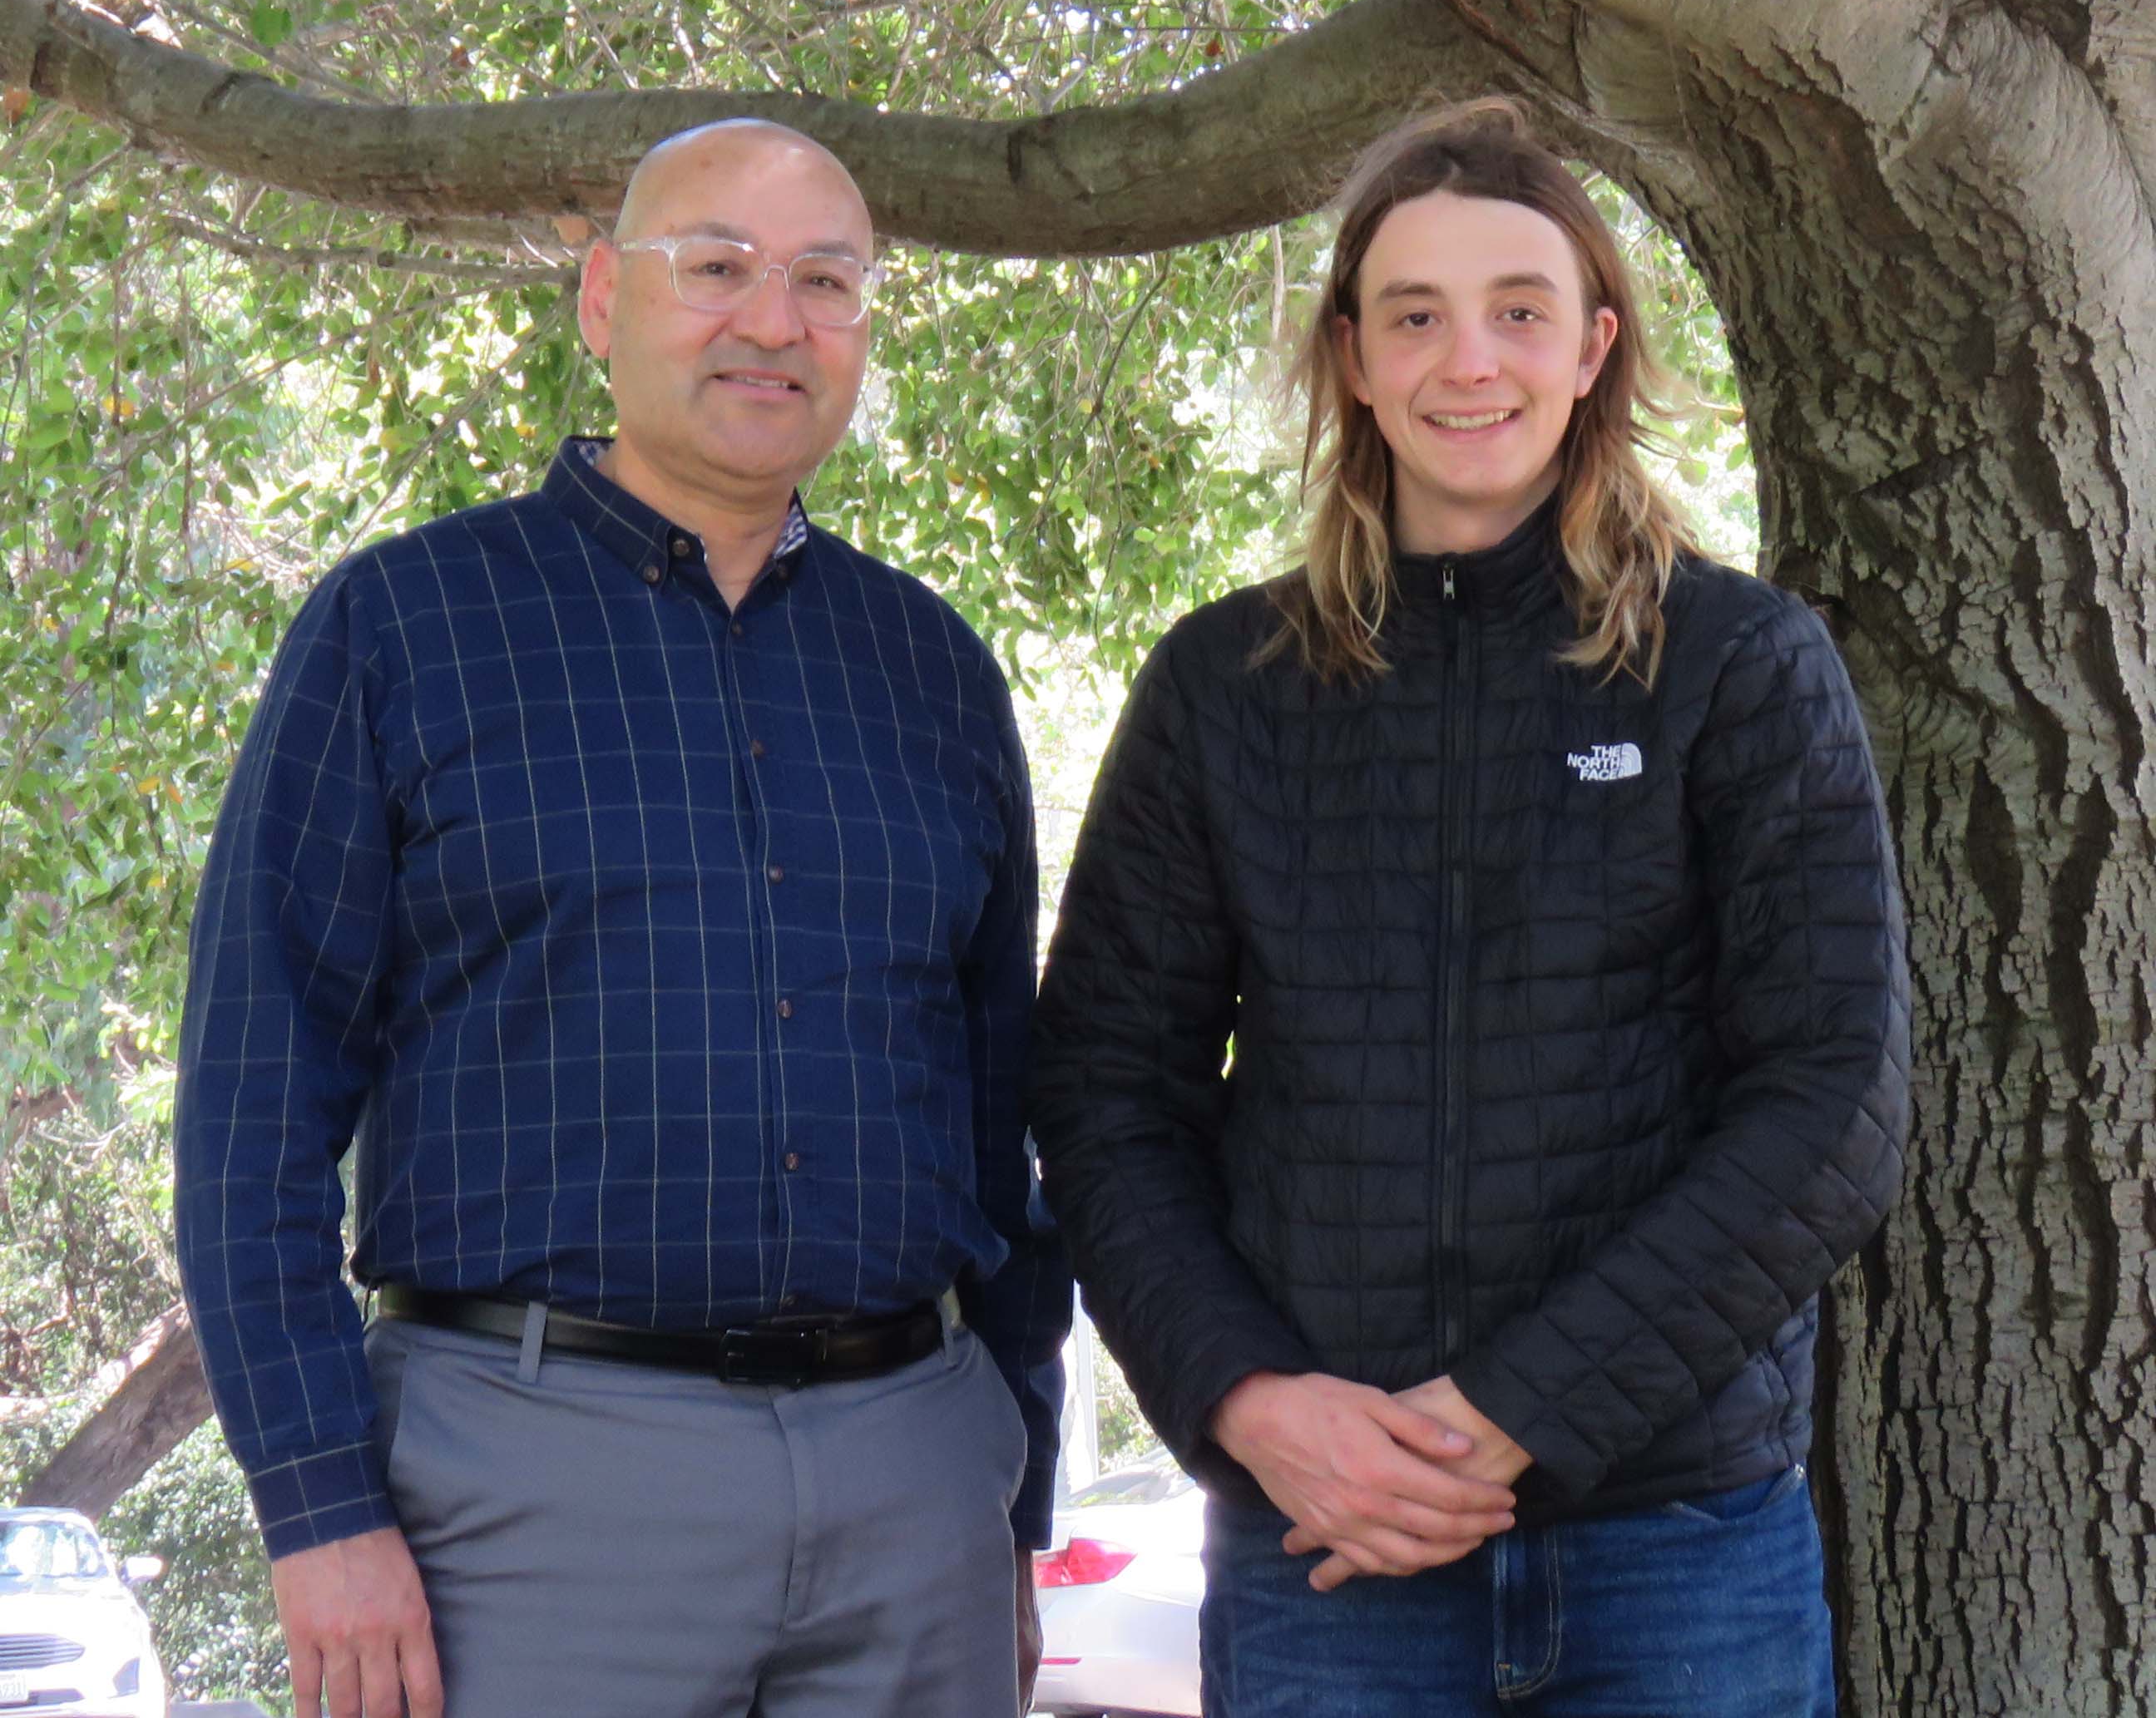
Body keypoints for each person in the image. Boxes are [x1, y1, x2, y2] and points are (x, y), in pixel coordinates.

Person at [176, 118, 1070, 1718]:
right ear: (603, 302)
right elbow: (253, 1113)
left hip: (914, 1486)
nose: (773, 321)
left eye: (825, 280)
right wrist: (319, 1508)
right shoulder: (403, 629)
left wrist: (1016, 1499)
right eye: (715, 267)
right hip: (530, 1491)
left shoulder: (933, 670)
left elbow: (1008, 1124)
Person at [1030, 100, 1909, 1716]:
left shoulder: (1741, 663)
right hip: (1326, 1543)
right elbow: (1104, 1091)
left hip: (1679, 1539)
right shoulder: (1225, 688)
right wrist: (1252, 1401)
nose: (1469, 360)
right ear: (1352, 360)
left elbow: (1831, 1102)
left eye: (1519, 309)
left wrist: (1502, 1411)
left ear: (1595, 345)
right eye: (1415, 316)